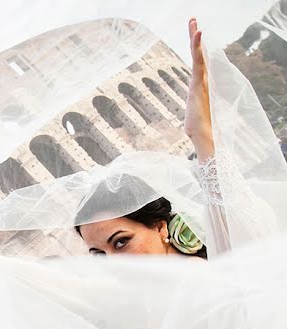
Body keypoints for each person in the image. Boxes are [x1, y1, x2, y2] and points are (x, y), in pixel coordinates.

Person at [75, 18, 219, 258]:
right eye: (99, 254)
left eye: (121, 242)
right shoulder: (136, 293)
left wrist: (200, 132)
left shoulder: (225, 256)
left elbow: (228, 204)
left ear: (161, 227)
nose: (114, 262)